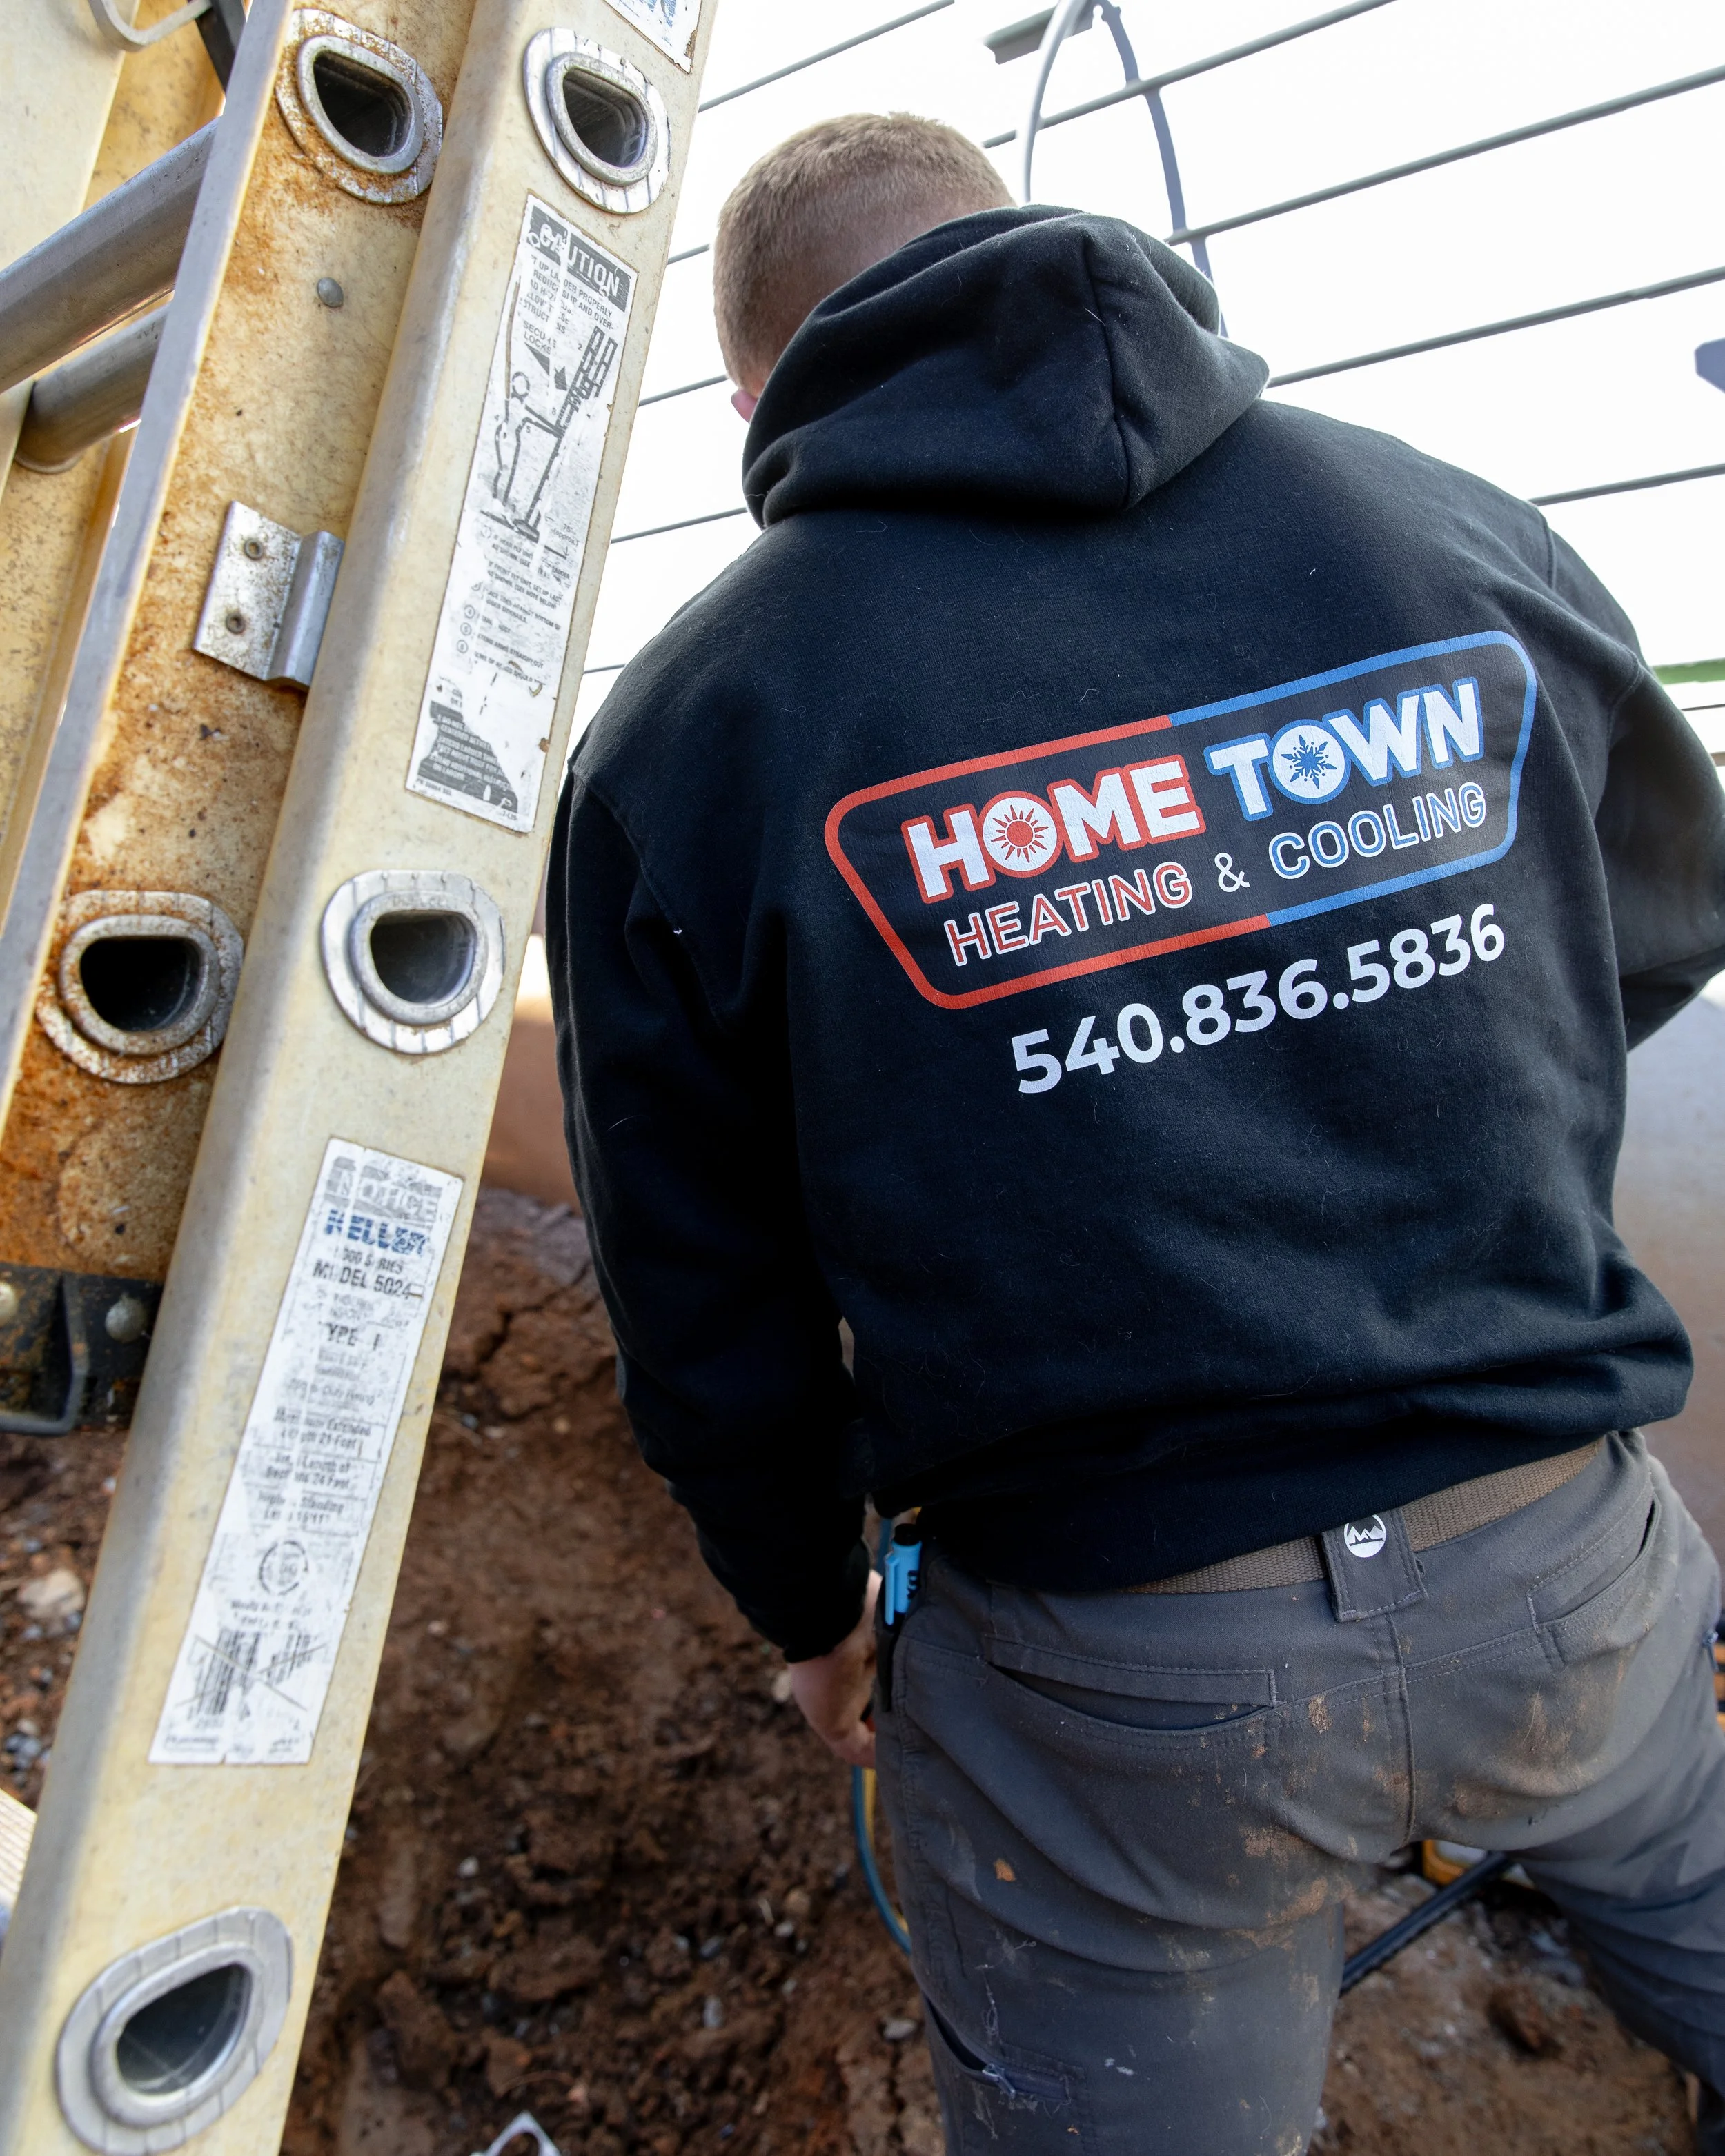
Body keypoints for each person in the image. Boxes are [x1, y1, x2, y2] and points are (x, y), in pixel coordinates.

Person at [547, 110, 1725, 2152]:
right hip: (1574, 1566)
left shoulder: (702, 718)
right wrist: (1369, 1058)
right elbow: (1650, 928)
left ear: (758, 395)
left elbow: (701, 1305)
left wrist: (813, 1616)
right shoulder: (1450, 534)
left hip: (1119, 1683)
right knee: (1688, 1881)